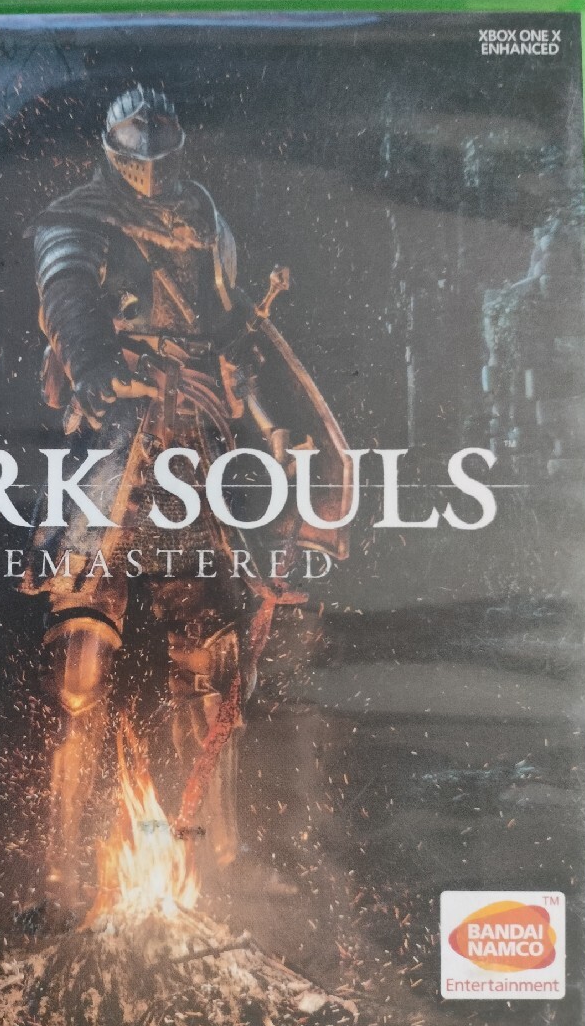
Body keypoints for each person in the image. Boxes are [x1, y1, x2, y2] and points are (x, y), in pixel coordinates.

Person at [23, 85, 351, 908]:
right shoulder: (75, 219)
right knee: (81, 660)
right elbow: (71, 306)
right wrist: (105, 369)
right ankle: (65, 867)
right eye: (136, 154)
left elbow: (232, 334)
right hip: (115, 440)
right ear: (112, 152)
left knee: (211, 657)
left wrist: (272, 430)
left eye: (161, 154)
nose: (149, 169)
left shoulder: (203, 215)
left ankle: (217, 861)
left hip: (195, 449)